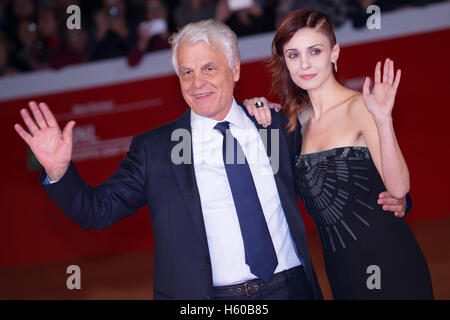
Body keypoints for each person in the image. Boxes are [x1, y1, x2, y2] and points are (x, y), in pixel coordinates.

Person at [14, 19, 322, 300]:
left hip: (291, 289)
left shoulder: (275, 126)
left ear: (236, 68)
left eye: (209, 68)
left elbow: (324, 182)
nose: (196, 82)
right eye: (187, 72)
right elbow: (97, 211)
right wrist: (59, 171)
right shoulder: (156, 150)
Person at [243, 9, 433, 299]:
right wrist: (256, 108)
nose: (304, 64)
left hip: (391, 263)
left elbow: (399, 188)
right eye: (293, 55)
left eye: (315, 51)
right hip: (339, 272)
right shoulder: (295, 122)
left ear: (334, 53)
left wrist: (383, 120)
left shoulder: (361, 107)